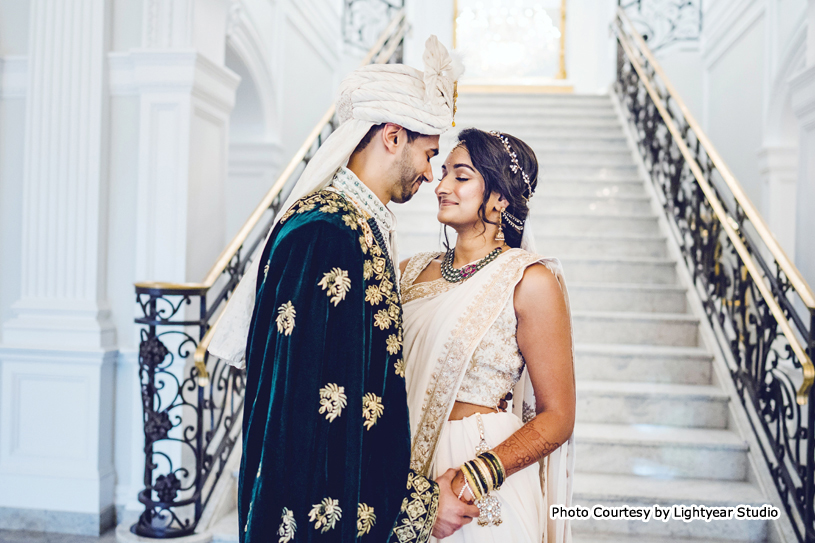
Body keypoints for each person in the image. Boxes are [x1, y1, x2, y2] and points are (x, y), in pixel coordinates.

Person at [207, 37, 478, 542]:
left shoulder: (353, 226)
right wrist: (416, 506)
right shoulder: (326, 233)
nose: (429, 174)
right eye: (428, 154)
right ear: (392, 137)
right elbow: (312, 410)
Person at [399, 128, 576, 543]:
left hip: (481, 474)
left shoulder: (528, 280)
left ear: (499, 197)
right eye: (443, 173)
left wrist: (473, 477)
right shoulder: (408, 270)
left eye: (460, 177)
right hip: (402, 467)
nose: (440, 186)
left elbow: (558, 416)